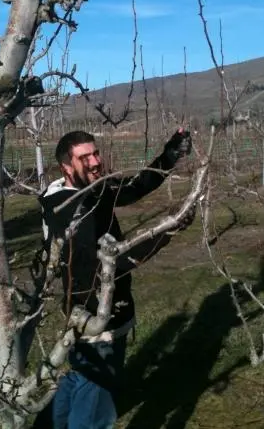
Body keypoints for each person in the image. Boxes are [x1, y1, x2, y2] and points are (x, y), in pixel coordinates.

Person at [32, 128, 192, 429]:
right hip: (98, 312)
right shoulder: (73, 212)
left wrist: (169, 155)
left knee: (81, 376)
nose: (95, 162)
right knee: (96, 404)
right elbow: (111, 265)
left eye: (95, 153)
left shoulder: (86, 190)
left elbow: (132, 187)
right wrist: (166, 231)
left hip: (82, 312)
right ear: (66, 166)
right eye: (85, 157)